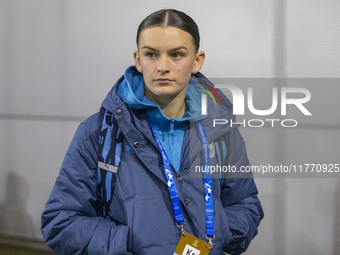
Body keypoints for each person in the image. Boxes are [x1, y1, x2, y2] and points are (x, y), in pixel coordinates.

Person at [41, 9, 264, 255]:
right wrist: (130, 244)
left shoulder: (220, 129)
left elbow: (245, 203)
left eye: (177, 54)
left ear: (197, 61)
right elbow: (61, 221)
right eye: (151, 54)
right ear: (138, 59)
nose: (163, 66)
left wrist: (218, 236)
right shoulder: (98, 132)